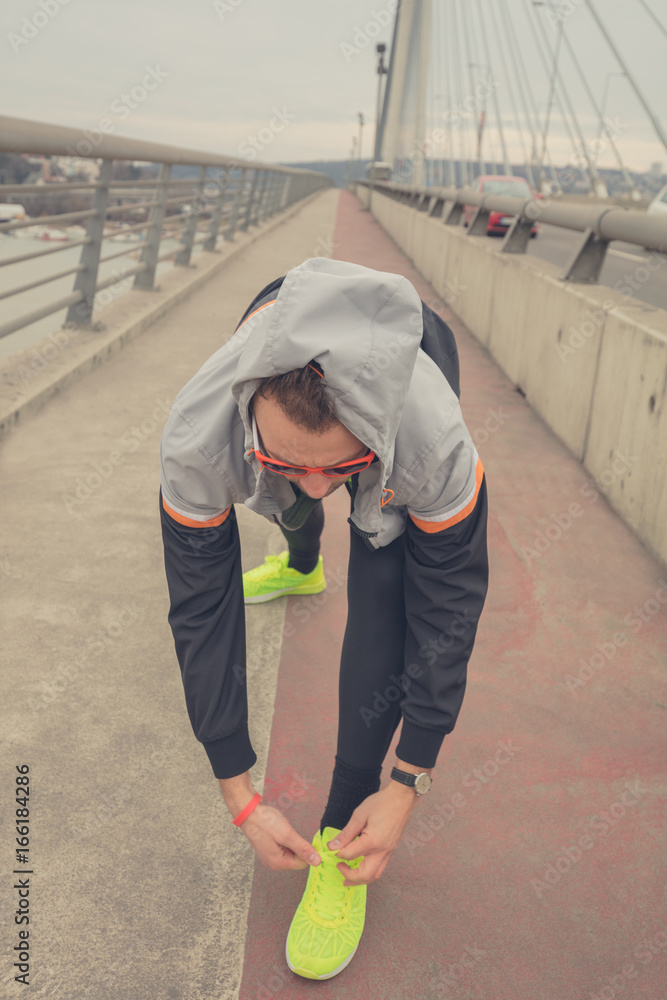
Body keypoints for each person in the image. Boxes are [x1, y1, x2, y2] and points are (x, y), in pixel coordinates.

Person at [159, 257, 489, 980]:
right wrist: (237, 792)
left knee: (381, 582)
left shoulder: (430, 442)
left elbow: (445, 608)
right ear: (247, 402)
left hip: (414, 350)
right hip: (277, 317)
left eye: (343, 464)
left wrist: (409, 779)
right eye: (282, 455)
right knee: (296, 507)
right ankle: (301, 561)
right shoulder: (197, 433)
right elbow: (201, 608)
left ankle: (342, 826)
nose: (316, 481)